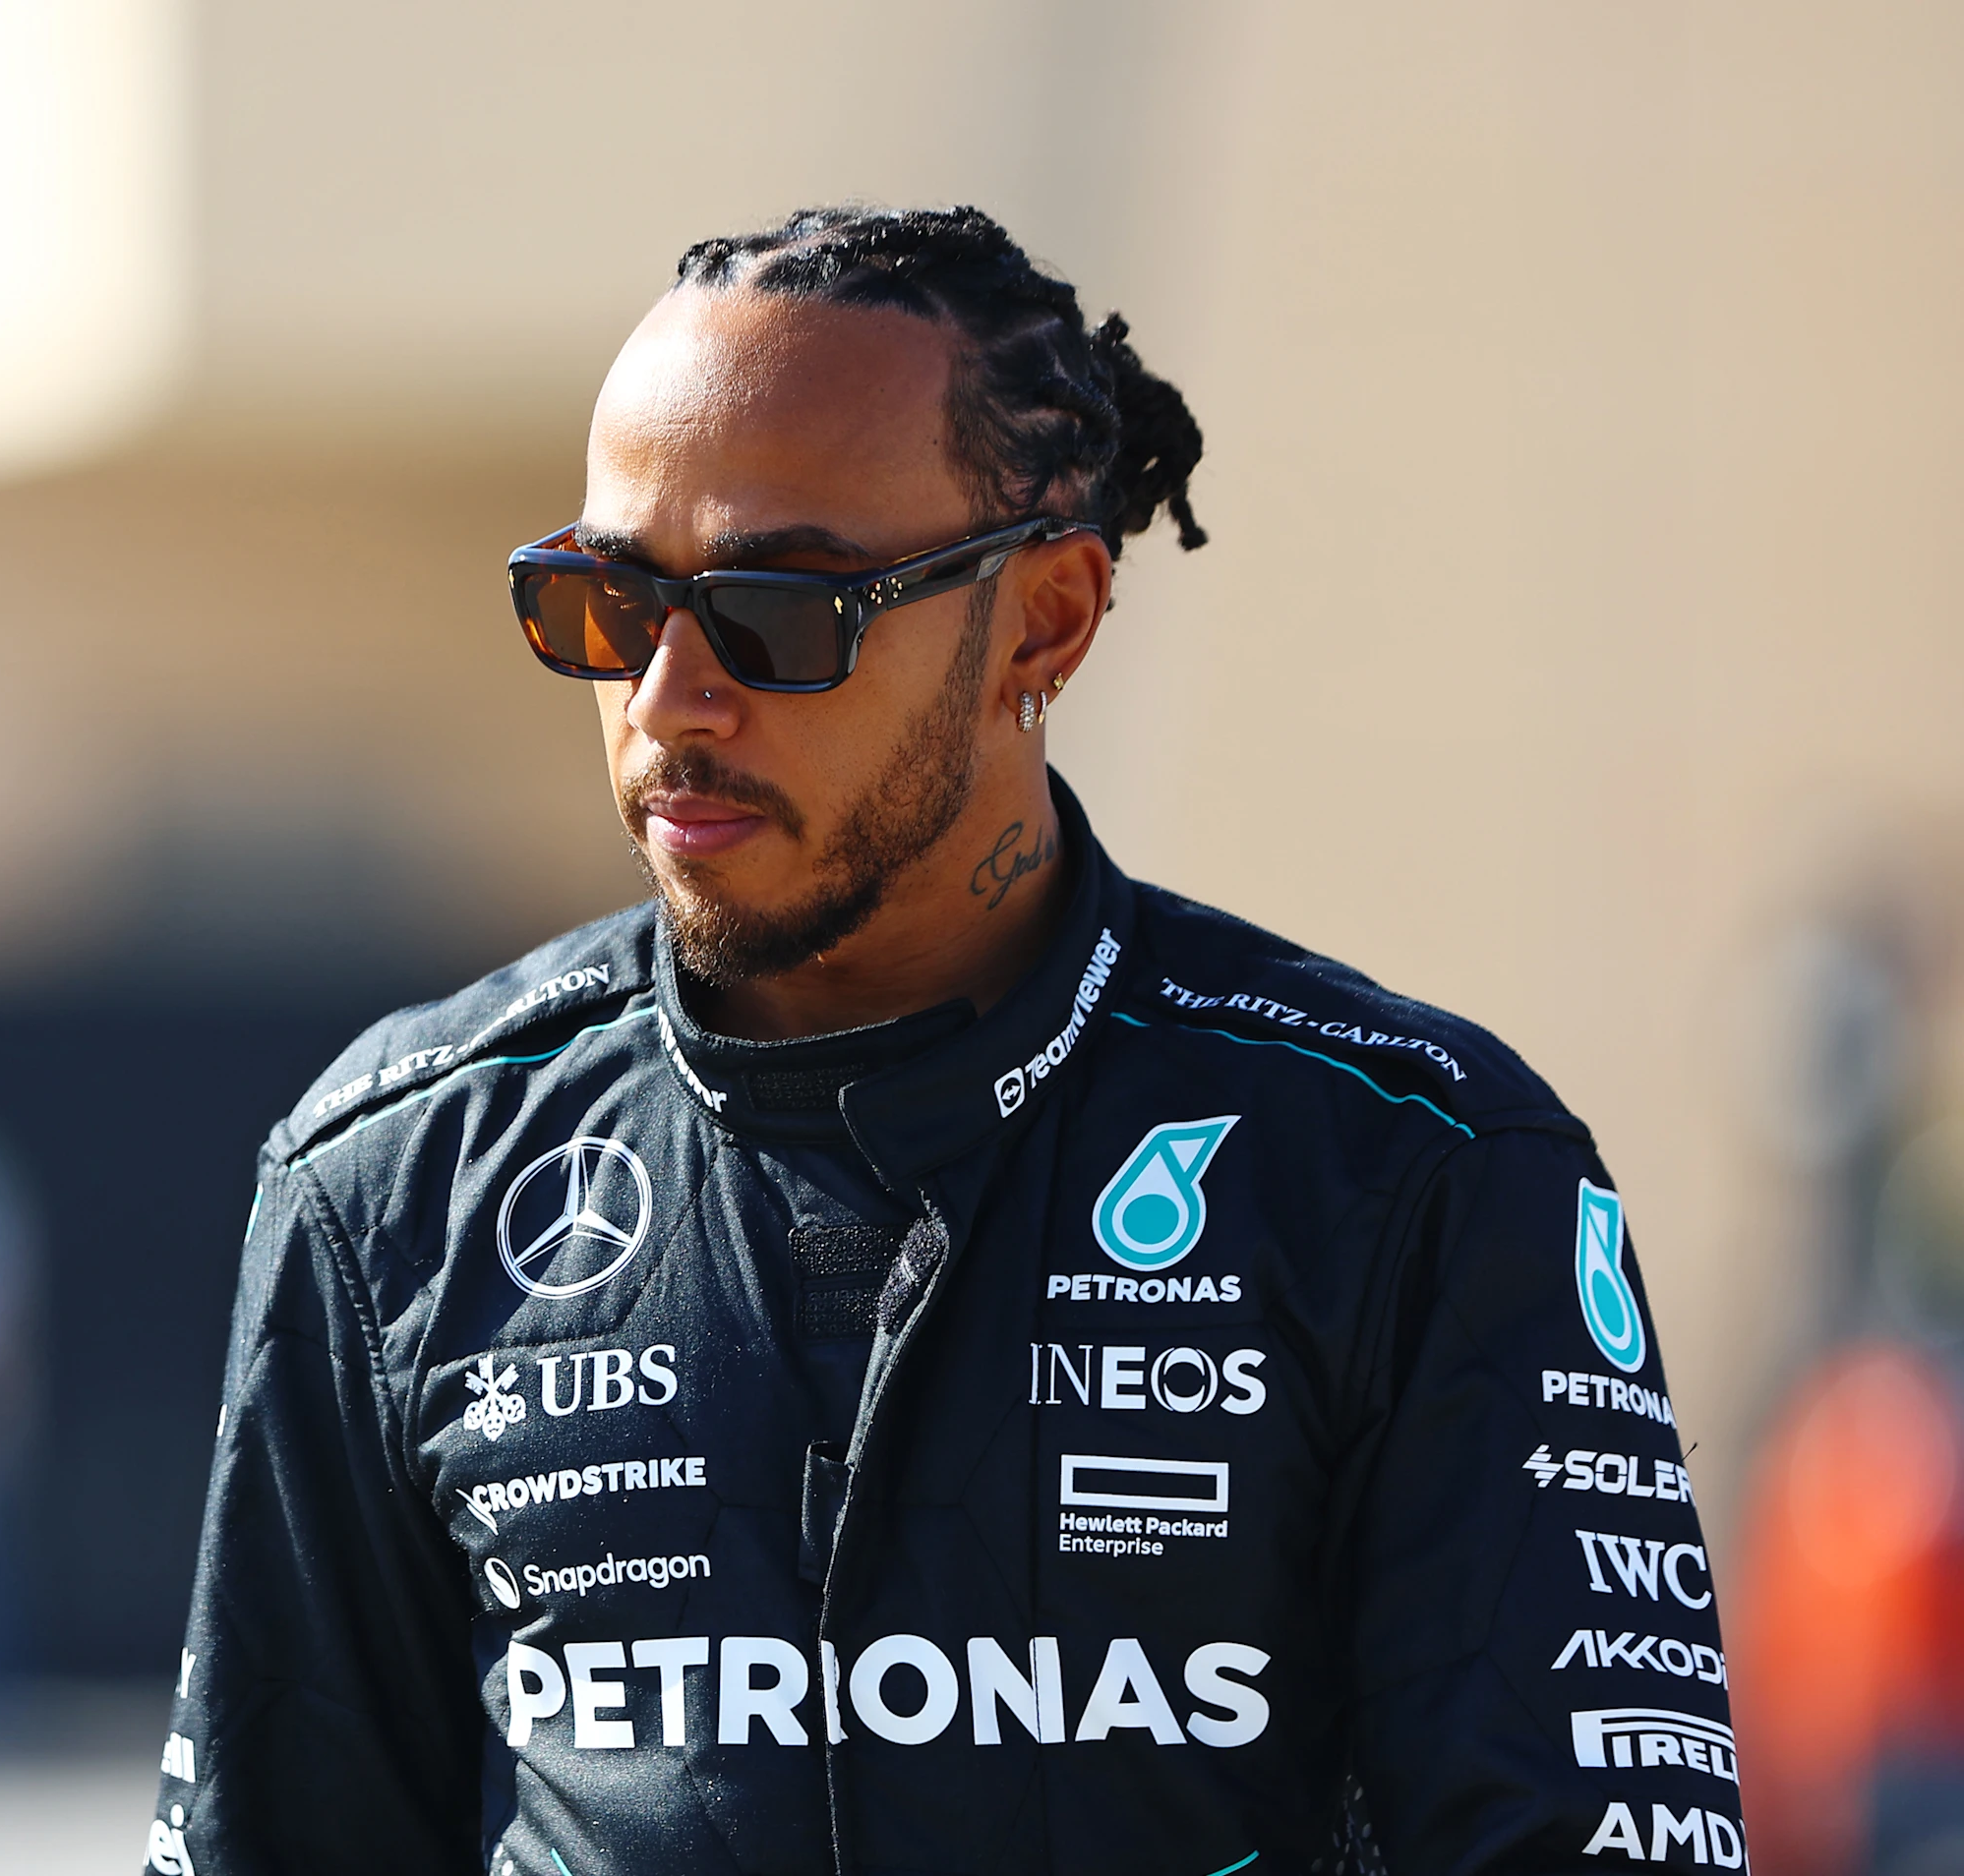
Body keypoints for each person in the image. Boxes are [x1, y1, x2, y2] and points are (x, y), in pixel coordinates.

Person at [143, 204, 1736, 1876]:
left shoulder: (1413, 1167)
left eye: (778, 610)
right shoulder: (393, 1181)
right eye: (606, 602)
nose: (673, 696)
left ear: (1045, 620)